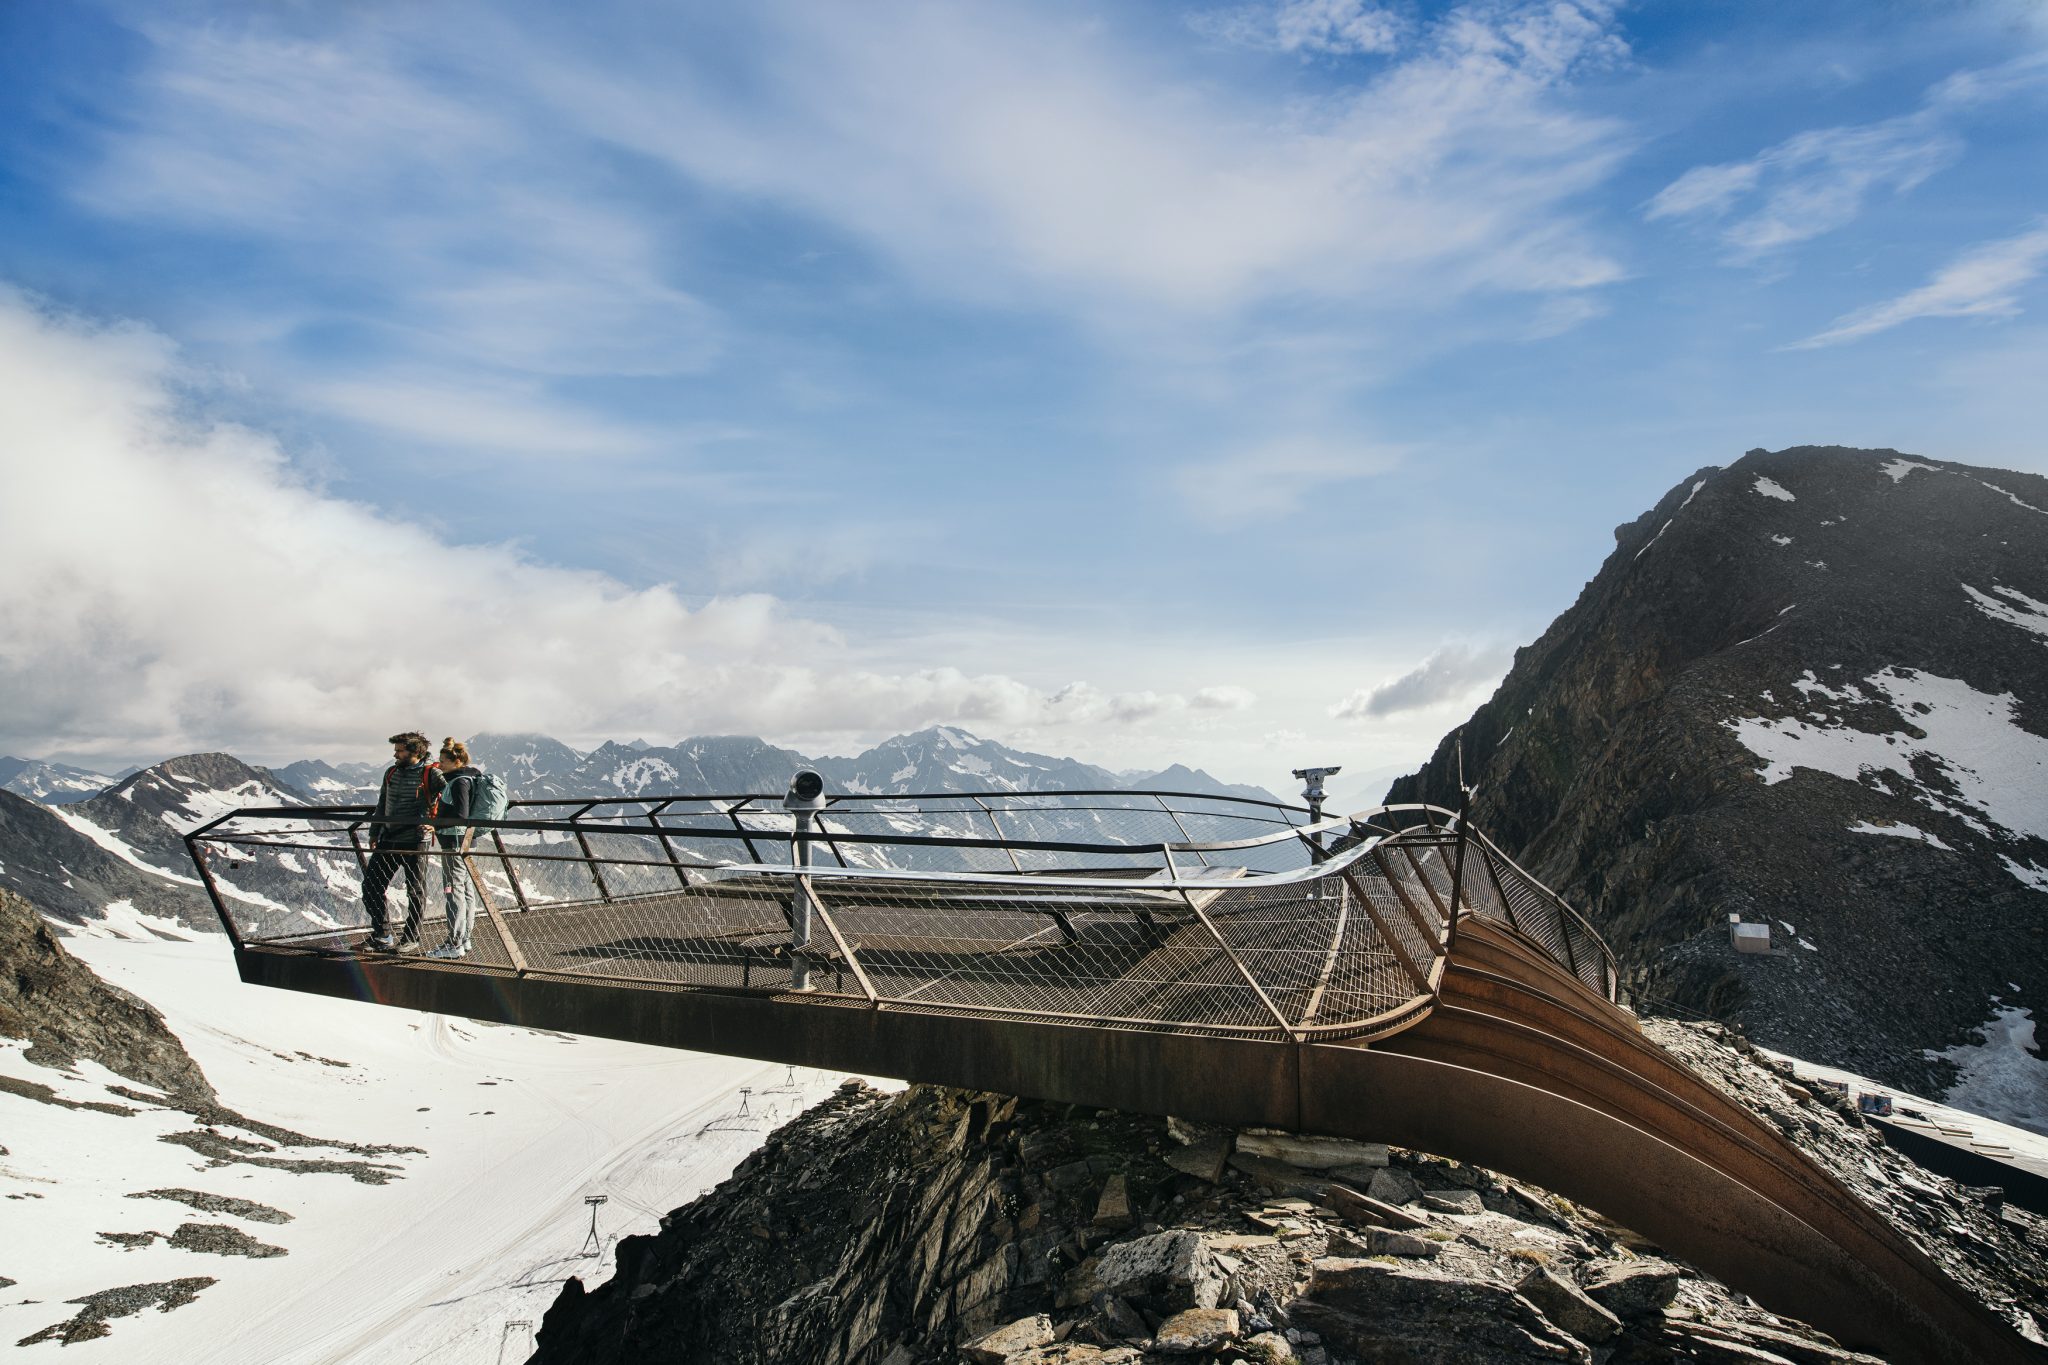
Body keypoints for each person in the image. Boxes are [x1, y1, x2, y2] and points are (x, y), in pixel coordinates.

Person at [361, 732, 444, 951]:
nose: (395, 754)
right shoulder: (391, 773)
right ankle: (382, 935)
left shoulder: (432, 774)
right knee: (371, 886)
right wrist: (374, 833)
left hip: (416, 841)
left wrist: (437, 823)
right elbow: (382, 803)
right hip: (388, 839)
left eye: (400, 750)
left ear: (415, 752)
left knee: (415, 891)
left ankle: (411, 938)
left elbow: (451, 797)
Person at [429, 738, 481, 960]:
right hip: (467, 842)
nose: (439, 765)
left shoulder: (459, 782)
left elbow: (461, 816)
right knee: (466, 890)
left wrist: (435, 825)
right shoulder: (469, 778)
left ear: (456, 761)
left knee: (453, 890)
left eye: (443, 762)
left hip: (454, 843)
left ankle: (454, 942)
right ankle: (464, 938)